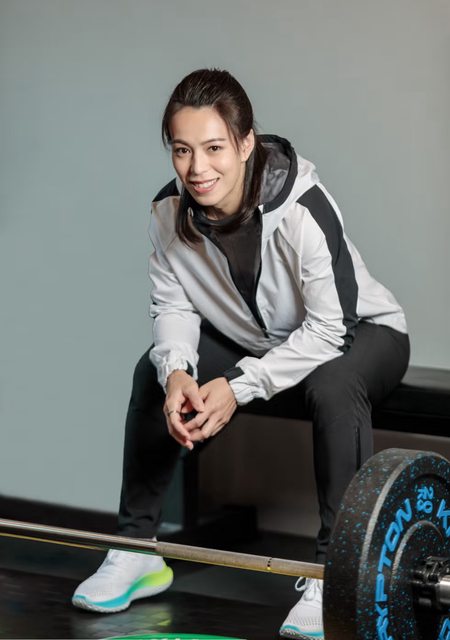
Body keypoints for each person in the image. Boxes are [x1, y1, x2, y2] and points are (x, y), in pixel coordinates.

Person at [72, 68, 409, 639]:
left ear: (245, 144)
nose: (197, 168)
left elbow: (331, 329)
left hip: (362, 334)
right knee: (152, 372)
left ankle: (333, 573)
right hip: (260, 340)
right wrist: (177, 372)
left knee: (333, 384)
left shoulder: (304, 207)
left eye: (213, 148)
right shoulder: (167, 214)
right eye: (182, 150)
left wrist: (238, 386)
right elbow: (174, 306)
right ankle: (136, 550)